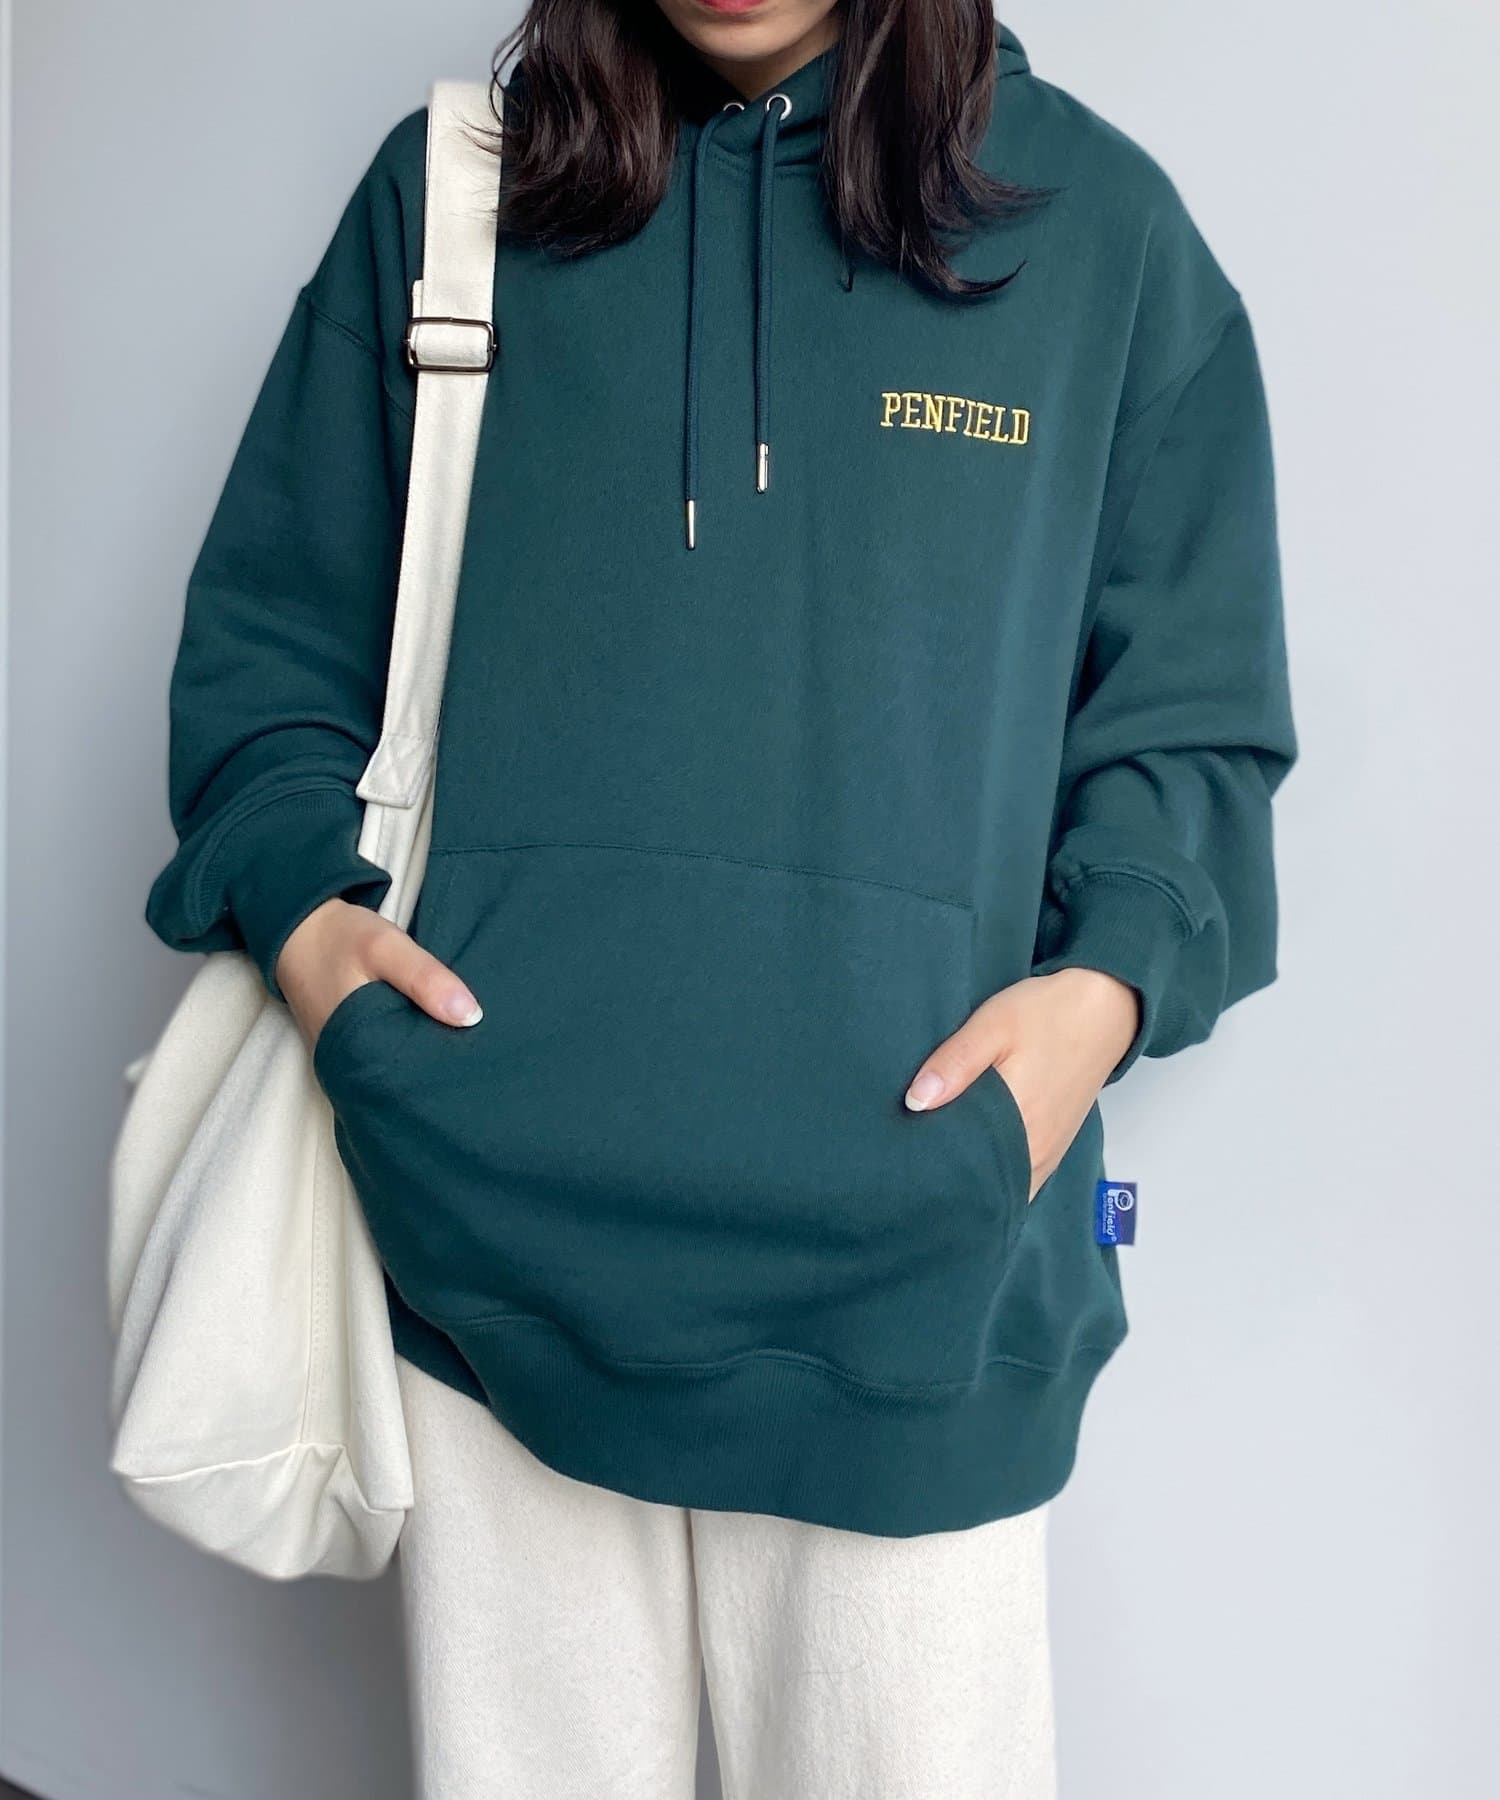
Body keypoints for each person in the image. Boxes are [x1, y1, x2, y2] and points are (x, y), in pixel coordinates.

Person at [142, 1, 1297, 1793]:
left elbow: (1193, 738)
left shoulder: (1106, 234)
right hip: (485, 1262)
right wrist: (323, 960)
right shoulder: (455, 200)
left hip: (922, 1293)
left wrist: (1090, 1011)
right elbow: (268, 656)